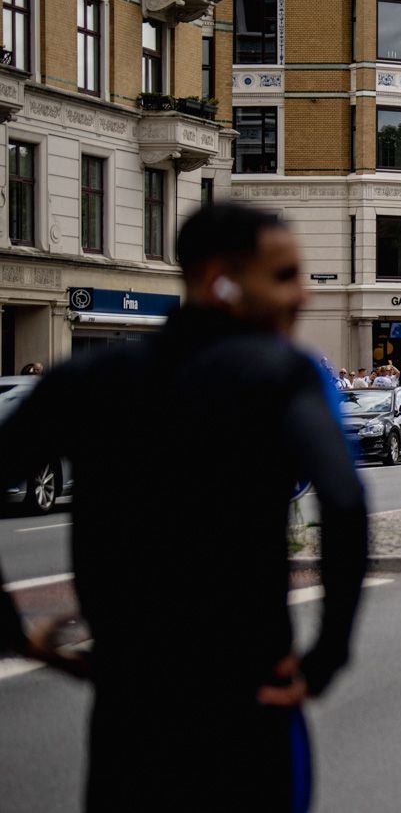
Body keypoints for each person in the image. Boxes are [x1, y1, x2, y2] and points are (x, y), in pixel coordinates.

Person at [0, 202, 369, 812]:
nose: (301, 295)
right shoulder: (280, 375)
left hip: (131, 712)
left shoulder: (94, 377)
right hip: (248, 707)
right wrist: (327, 656)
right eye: (282, 276)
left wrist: (11, 630)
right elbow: (345, 498)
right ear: (215, 277)